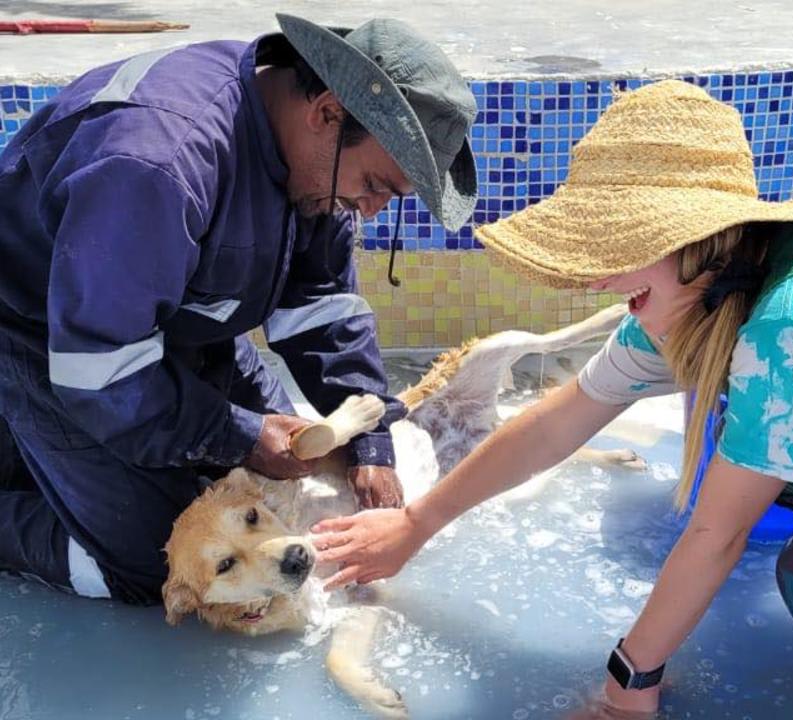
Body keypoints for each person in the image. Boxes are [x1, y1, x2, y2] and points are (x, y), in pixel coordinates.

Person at [312, 79, 793, 716]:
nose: (594, 278)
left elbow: (718, 534)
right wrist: (417, 524)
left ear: (694, 238)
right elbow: (557, 423)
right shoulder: (713, 286)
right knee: (749, 441)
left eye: (616, 244)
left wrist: (630, 684)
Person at [0, 13, 479, 605]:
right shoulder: (157, 165)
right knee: (169, 566)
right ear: (327, 111)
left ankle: (51, 466)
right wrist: (241, 435)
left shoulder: (315, 162)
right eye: (376, 184)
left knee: (274, 497)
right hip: (46, 339)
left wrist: (369, 440)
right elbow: (98, 369)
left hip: (180, 330)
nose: (373, 209)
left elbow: (320, 305)